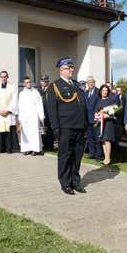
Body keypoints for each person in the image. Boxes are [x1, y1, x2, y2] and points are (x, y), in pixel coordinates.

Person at [47, 57, 87, 195]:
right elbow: (52, 109)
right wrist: (55, 128)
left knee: (77, 156)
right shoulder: (55, 86)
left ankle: (75, 182)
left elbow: (83, 106)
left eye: (72, 68)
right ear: (61, 70)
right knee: (65, 156)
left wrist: (86, 125)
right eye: (68, 68)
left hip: (80, 127)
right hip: (65, 127)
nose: (71, 70)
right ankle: (65, 183)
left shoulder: (77, 85)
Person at [0, 71, 20, 154]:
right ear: (0, 78)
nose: (3, 78)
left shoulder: (12, 87)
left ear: (7, 77)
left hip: (9, 113)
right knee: (0, 131)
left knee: (9, 131)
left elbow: (15, 100)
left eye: (5, 76)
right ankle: (0, 148)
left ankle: (9, 148)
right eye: (2, 77)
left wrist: (8, 110)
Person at [19, 76, 45, 155]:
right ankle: (27, 148)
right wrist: (20, 117)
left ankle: (35, 149)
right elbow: (20, 105)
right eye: (27, 82)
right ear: (24, 84)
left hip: (34, 116)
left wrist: (41, 116)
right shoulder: (22, 94)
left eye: (30, 82)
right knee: (26, 133)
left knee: (34, 133)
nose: (29, 84)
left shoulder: (35, 92)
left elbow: (39, 105)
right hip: (25, 117)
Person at [94, 84, 120, 165]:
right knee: (103, 141)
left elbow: (115, 110)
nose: (105, 92)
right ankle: (105, 157)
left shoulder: (111, 100)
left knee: (107, 140)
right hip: (100, 123)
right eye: (103, 90)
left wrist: (107, 115)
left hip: (108, 123)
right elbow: (96, 111)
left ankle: (108, 158)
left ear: (108, 92)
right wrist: (97, 116)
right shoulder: (98, 100)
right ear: (100, 91)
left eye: (106, 90)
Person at [84, 76, 102, 161]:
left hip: (96, 119)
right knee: (90, 137)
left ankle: (98, 155)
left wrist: (97, 116)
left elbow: (100, 105)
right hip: (87, 119)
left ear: (94, 82)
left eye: (92, 82)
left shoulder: (99, 92)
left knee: (97, 137)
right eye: (88, 82)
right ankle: (92, 153)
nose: (90, 83)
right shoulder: (85, 92)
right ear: (87, 83)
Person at [38, 74, 54, 152]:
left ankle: (50, 146)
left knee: (49, 130)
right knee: (42, 130)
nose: (44, 82)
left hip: (49, 113)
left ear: (48, 81)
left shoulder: (51, 90)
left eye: (45, 81)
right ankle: (44, 145)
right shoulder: (38, 90)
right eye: (42, 81)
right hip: (41, 113)